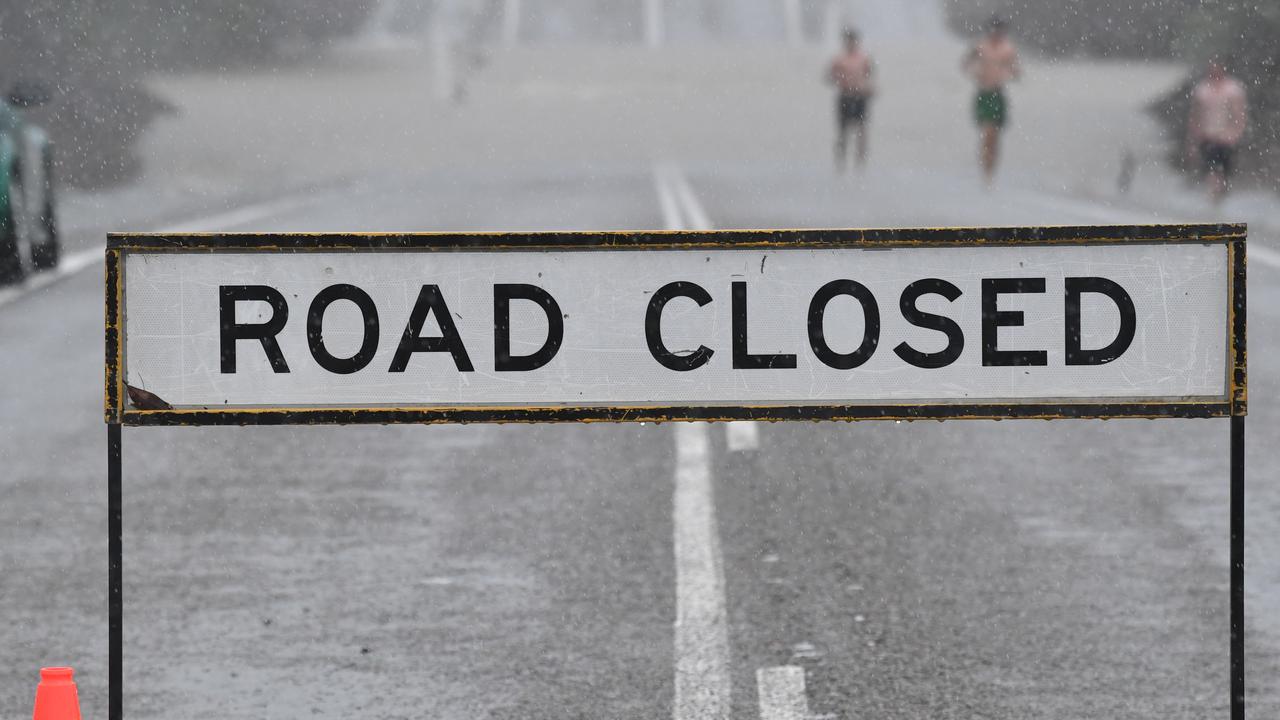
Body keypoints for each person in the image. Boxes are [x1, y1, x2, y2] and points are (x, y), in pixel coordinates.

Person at [963, 17, 1019, 184]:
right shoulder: (980, 46)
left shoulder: (1008, 49)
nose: (995, 34)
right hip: (984, 92)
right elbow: (966, 64)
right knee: (987, 132)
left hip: (998, 92)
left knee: (994, 135)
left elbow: (1015, 70)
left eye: (998, 31)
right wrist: (976, 73)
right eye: (993, 30)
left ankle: (991, 167)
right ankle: (985, 166)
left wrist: (1006, 74)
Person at [1188, 57, 1248, 204]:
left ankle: (1221, 192)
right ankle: (1213, 192)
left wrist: (1236, 132)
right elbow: (1196, 113)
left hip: (1227, 136)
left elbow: (1239, 113)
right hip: (1208, 135)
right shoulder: (1202, 90)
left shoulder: (1233, 89)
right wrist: (1195, 134)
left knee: (1224, 167)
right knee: (1212, 166)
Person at [827, 27, 875, 171]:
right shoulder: (839, 60)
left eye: (853, 41)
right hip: (845, 96)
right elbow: (829, 76)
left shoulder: (864, 58)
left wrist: (867, 87)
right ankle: (841, 163)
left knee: (861, 130)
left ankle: (860, 164)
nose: (851, 44)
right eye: (849, 41)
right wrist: (841, 79)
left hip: (860, 97)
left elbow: (869, 75)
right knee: (843, 132)